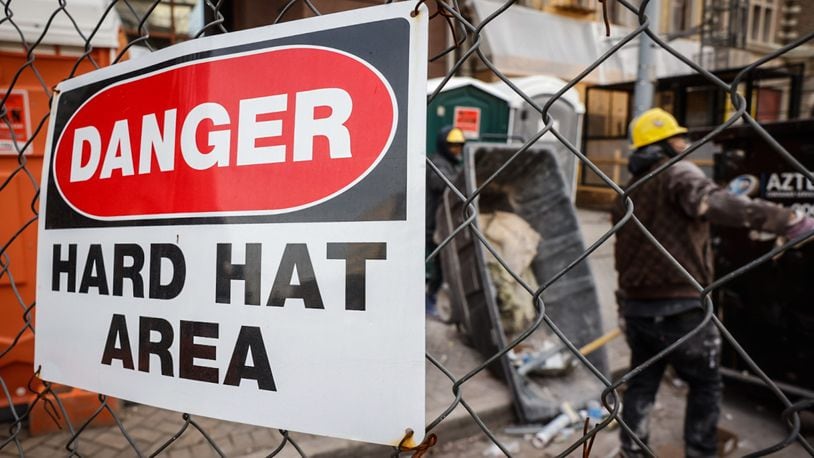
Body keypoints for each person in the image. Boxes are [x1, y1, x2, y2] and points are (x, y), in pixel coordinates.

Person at [611, 108, 814, 457]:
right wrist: (787, 219)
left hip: (636, 308)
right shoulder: (677, 172)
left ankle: (633, 450)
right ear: (664, 144)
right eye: (680, 138)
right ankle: (700, 452)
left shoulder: (626, 193)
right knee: (705, 383)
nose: (687, 144)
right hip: (681, 307)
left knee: (643, 383)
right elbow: (714, 202)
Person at [425, 126, 465, 317]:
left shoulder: (451, 163)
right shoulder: (439, 164)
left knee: (439, 265)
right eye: (452, 146)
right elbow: (438, 182)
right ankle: (428, 300)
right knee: (438, 266)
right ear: (444, 145)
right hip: (431, 224)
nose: (457, 150)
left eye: (459, 146)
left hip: (440, 224)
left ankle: (429, 298)